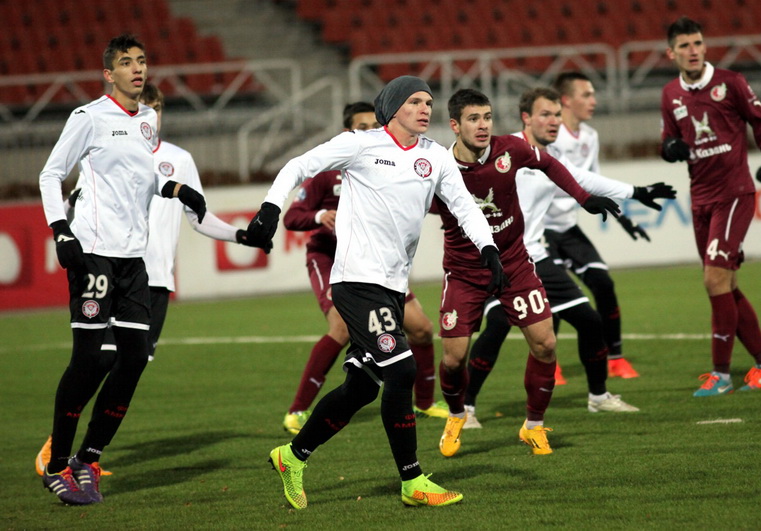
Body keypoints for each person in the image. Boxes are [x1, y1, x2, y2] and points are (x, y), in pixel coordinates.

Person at [246, 76, 502, 509]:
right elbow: (297, 166)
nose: (425, 108)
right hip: (356, 281)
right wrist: (271, 207)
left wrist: (488, 248)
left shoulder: (435, 156)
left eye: (428, 102)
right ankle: (412, 480)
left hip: (393, 287)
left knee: (362, 388)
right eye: (415, 101)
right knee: (401, 370)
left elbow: (463, 207)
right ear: (393, 107)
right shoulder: (361, 144)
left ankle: (293, 455)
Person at [34, 82, 267, 478]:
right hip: (110, 266)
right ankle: (59, 450)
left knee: (130, 364)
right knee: (99, 359)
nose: (151, 114)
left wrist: (240, 236)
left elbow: (198, 217)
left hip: (155, 279)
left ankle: (86, 458)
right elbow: (74, 202)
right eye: (145, 106)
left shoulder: (179, 159)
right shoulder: (106, 151)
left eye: (156, 107)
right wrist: (69, 238)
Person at [38, 34, 207, 505]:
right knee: (87, 360)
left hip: (134, 258)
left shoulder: (147, 120)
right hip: (94, 252)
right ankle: (56, 464)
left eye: (142, 61)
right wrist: (61, 230)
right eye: (127, 63)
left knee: (133, 359)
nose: (137, 68)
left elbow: (142, 176)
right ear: (108, 74)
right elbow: (51, 174)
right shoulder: (89, 117)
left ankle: (88, 457)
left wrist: (175, 189)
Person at [462, 87, 676, 428]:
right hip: (496, 260)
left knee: (590, 321)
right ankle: (466, 408)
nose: (554, 121)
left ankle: (598, 397)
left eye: (557, 115)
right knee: (498, 325)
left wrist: (636, 192)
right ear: (526, 118)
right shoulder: (505, 150)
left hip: (534, 256)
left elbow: (582, 178)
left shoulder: (546, 158)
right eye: (545, 114)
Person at [435, 88, 622, 457]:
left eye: (487, 117)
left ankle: (533, 426)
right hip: (465, 271)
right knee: (454, 359)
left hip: (514, 262)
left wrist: (584, 198)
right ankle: (457, 414)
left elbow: (549, 164)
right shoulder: (438, 167)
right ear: (455, 125)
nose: (483, 125)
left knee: (546, 344)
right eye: (473, 119)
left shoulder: (510, 149)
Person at [281, 102, 446, 434]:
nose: (370, 131)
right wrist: (319, 216)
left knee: (421, 328)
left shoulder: (389, 163)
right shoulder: (328, 171)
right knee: (341, 328)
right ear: (348, 132)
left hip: (375, 263)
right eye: (362, 126)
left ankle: (425, 403)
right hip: (331, 259)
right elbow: (292, 217)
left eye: (375, 125)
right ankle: (297, 411)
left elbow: (420, 197)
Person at [660, 16, 761, 397]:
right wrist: (670, 148)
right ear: (671, 53)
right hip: (700, 199)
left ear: (705, 46)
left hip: (734, 194)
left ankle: (721, 374)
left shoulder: (730, 83)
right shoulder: (670, 94)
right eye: (685, 46)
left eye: (697, 43)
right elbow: (668, 139)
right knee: (726, 284)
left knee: (713, 279)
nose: (693, 51)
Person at [542, 72, 641, 381]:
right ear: (566, 100)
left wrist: (623, 218)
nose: (594, 101)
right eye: (586, 95)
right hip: (541, 230)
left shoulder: (590, 136)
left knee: (603, 284)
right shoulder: (549, 135)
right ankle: (549, 366)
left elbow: (595, 183)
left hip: (568, 228)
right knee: (553, 298)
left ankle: (616, 359)